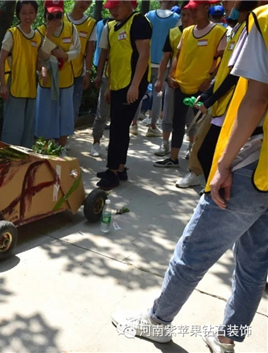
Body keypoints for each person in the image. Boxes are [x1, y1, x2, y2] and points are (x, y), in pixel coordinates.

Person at [111, 5, 268, 353]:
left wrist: (224, 165)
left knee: (194, 249)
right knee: (255, 264)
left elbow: (256, 100)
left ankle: (158, 322)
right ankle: (227, 338)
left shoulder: (263, 22)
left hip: (252, 166)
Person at [176, 0, 257, 189]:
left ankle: (213, 193)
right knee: (206, 152)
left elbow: (236, 76)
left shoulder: (250, 30)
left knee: (210, 154)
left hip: (232, 106)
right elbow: (226, 73)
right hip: (221, 103)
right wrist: (209, 95)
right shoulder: (236, 30)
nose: (226, 5)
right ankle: (210, 190)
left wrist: (211, 97)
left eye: (228, 1)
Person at [153, 0, 226, 169]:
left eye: (195, 9)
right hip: (180, 85)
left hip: (202, 89)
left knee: (199, 128)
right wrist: (171, 75)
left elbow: (222, 59)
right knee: (177, 122)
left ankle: (195, 167)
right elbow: (177, 55)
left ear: (206, 8)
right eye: (189, 10)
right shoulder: (186, 32)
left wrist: (210, 80)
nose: (191, 13)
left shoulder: (218, 31)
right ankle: (173, 158)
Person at [95, 0, 152, 190]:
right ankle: (119, 167)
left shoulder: (139, 22)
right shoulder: (111, 26)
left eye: (116, 6)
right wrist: (110, 86)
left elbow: (143, 55)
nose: (112, 11)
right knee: (120, 126)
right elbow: (114, 58)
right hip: (118, 84)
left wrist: (135, 86)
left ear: (128, 3)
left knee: (118, 128)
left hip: (132, 84)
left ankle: (112, 173)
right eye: (110, 7)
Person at [35, 0, 80, 149]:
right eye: (51, 16)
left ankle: (61, 147)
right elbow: (42, 54)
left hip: (66, 80)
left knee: (65, 116)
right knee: (46, 116)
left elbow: (77, 50)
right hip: (47, 81)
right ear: (45, 15)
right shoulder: (40, 31)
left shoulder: (71, 28)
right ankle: (46, 147)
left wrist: (65, 55)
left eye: (58, 15)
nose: (55, 20)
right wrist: (48, 34)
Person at [154, 2, 195, 158]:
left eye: (189, 15)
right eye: (183, 15)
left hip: (193, 84)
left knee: (191, 117)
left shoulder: (202, 33)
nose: (186, 18)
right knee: (168, 113)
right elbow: (165, 58)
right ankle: (165, 144)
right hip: (172, 82)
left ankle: (191, 146)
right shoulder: (173, 33)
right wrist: (160, 79)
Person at [0, 1, 40, 148]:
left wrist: (44, 70)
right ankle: (8, 165)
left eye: (31, 12)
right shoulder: (12, 34)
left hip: (31, 90)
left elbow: (37, 62)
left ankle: (24, 165)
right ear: (18, 14)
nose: (27, 16)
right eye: (24, 12)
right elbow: (1, 60)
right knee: (12, 131)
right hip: (14, 88)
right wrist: (3, 85)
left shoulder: (37, 36)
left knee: (28, 132)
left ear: (35, 13)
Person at [137, 0, 180, 138]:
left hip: (146, 59)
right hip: (164, 62)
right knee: (158, 94)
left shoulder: (148, 15)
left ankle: (133, 123)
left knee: (139, 90)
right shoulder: (176, 19)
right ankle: (153, 126)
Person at [67, 0, 96, 148]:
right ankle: (52, 139)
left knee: (73, 107)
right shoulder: (61, 18)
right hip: (59, 73)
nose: (85, 3)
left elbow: (90, 50)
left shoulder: (91, 24)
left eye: (89, 2)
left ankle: (64, 140)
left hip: (77, 74)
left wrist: (87, 72)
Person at [91, 16, 111, 157]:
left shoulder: (135, 26)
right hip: (107, 75)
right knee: (102, 112)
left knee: (119, 116)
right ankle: (96, 142)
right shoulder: (107, 27)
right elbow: (102, 53)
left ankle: (114, 144)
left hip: (125, 78)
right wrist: (98, 75)